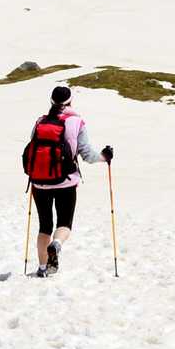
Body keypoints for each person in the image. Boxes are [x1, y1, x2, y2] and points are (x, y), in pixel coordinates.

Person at [20, 84, 113, 277]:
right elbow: (87, 154)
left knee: (44, 225)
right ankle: (57, 244)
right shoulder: (76, 122)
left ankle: (43, 268)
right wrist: (104, 157)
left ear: (52, 101)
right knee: (64, 223)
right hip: (66, 181)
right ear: (70, 101)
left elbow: (31, 147)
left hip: (39, 182)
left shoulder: (40, 121)